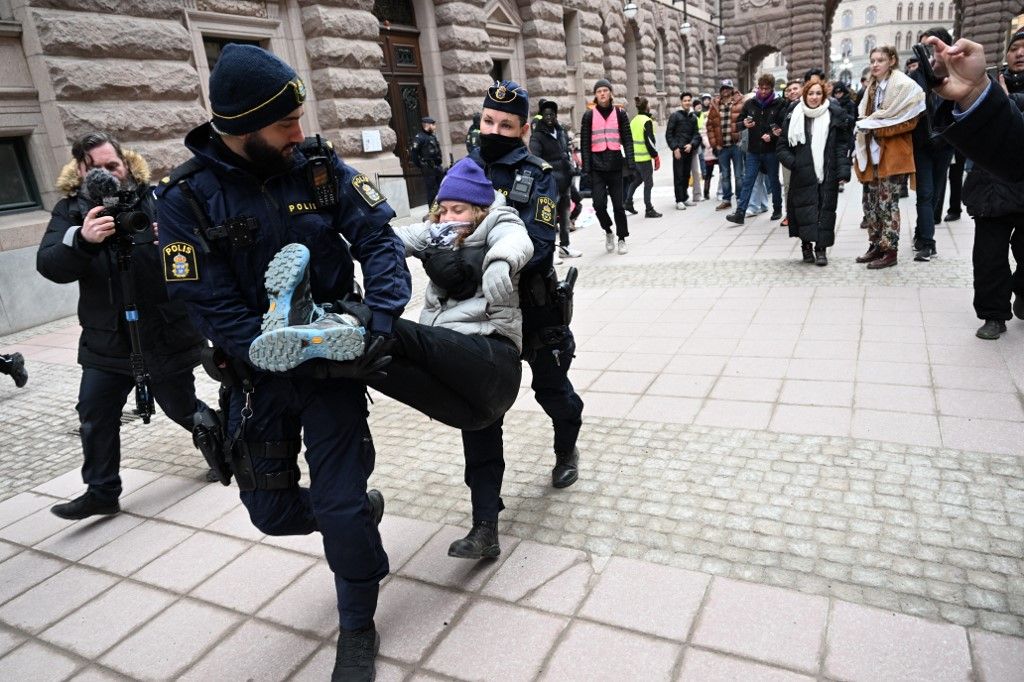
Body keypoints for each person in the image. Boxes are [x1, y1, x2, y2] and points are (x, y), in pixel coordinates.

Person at [155, 45, 412, 681]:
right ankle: (349, 515)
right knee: (270, 513)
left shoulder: (320, 170)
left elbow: (379, 240)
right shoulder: (185, 200)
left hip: (335, 369)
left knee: (340, 504)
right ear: (241, 129)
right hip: (259, 378)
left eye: (300, 118)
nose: (300, 132)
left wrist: (378, 319)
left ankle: (357, 623)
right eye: (284, 125)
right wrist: (273, 348)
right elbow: (205, 304)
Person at [251, 158, 532, 557]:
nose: (450, 216)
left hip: (492, 360)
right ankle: (485, 530)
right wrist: (328, 238)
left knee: (392, 332)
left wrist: (501, 261)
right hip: (459, 386)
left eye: (460, 209)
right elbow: (386, 238)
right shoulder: (436, 234)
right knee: (371, 363)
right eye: (444, 208)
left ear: (480, 210)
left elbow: (516, 240)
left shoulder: (499, 224)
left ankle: (335, 320)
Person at [36, 132, 215, 521]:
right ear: (80, 171)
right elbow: (49, 265)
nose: (106, 175)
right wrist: (83, 242)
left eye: (112, 165)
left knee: (182, 407)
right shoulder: (71, 211)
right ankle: (101, 492)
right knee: (95, 411)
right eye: (95, 168)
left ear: (127, 163)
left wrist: (169, 240)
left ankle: (227, 455)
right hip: (107, 337)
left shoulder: (156, 199)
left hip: (163, 330)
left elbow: (203, 249)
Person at [472, 80, 584, 490]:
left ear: (522, 129)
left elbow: (539, 244)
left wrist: (480, 259)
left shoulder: (538, 175)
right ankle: (485, 519)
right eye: (488, 121)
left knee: (553, 391)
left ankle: (566, 449)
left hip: (534, 304)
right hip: (482, 307)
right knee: (481, 407)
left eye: (505, 125)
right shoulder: (467, 169)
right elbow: (442, 226)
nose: (494, 132)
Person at [957, 28, 1024, 339]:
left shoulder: (992, 91)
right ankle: (993, 315)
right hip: (989, 188)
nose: (1020, 54)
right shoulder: (983, 85)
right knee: (988, 257)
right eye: (1015, 49)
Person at [853, 45, 925, 270]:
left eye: (880, 60)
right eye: (872, 60)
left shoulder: (905, 86)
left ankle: (890, 250)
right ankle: (875, 245)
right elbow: (868, 116)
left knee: (887, 203)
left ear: (892, 61)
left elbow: (911, 120)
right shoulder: (871, 89)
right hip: (871, 153)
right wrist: (869, 126)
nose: (875, 64)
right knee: (871, 203)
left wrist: (879, 129)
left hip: (893, 154)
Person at [925, 36, 1024, 183]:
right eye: (1014, 48)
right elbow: (1016, 155)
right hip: (982, 195)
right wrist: (973, 93)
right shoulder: (993, 81)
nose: (1020, 53)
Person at [776, 78, 852, 267]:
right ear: (805, 94)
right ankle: (806, 246)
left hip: (827, 172)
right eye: (811, 93)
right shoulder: (794, 114)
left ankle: (821, 249)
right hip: (802, 173)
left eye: (818, 93)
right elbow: (782, 146)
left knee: (824, 211)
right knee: (804, 211)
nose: (814, 97)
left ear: (824, 95)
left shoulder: (834, 114)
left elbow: (842, 145)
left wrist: (843, 169)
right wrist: (795, 164)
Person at [907, 27, 956, 263]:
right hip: (923, 143)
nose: (927, 53)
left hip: (945, 143)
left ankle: (921, 232)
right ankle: (927, 242)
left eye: (931, 47)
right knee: (925, 193)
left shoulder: (958, 73)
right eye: (922, 48)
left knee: (936, 192)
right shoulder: (915, 77)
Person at [580, 78, 635, 254]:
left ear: (610, 92)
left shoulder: (620, 114)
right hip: (597, 166)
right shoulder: (589, 115)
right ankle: (609, 231)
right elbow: (585, 144)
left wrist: (631, 163)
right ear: (595, 95)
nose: (602, 93)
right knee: (599, 205)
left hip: (615, 164)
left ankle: (621, 238)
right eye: (599, 91)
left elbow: (627, 139)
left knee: (619, 206)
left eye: (605, 90)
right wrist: (586, 169)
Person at [725, 74, 787, 225]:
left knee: (773, 181)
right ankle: (740, 213)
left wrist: (772, 135)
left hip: (771, 151)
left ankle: (777, 209)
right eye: (761, 88)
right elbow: (737, 123)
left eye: (767, 88)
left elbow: (783, 126)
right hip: (753, 151)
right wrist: (744, 124)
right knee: (748, 181)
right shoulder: (750, 104)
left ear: (772, 88)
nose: (764, 91)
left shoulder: (779, 104)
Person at [530, 99, 583, 257]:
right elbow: (536, 159)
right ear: (541, 116)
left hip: (565, 181)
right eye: (546, 114)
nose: (549, 117)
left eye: (552, 114)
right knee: (549, 219)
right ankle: (550, 252)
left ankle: (565, 247)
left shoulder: (560, 132)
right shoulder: (537, 136)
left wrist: (572, 168)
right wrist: (547, 177)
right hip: (550, 183)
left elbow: (565, 153)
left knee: (565, 215)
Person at [707, 79, 746, 210]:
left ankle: (740, 199)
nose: (725, 91)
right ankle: (726, 199)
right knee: (724, 175)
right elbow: (710, 126)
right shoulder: (715, 105)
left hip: (736, 145)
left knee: (739, 175)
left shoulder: (740, 103)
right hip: (722, 147)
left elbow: (745, 121)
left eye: (728, 88)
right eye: (723, 88)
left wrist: (742, 140)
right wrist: (714, 144)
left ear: (732, 89)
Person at [625, 97, 662, 218]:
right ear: (646, 107)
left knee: (637, 180)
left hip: (635, 158)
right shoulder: (646, 120)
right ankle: (649, 209)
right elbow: (650, 141)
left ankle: (628, 203)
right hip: (644, 158)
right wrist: (655, 156)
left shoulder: (634, 120)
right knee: (648, 183)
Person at [666, 92, 701, 211]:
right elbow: (669, 134)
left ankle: (685, 197)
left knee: (686, 175)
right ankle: (679, 200)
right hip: (678, 151)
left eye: (689, 100)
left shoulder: (693, 117)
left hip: (688, 150)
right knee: (679, 175)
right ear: (681, 102)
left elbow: (697, 134)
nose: (687, 102)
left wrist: (692, 144)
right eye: (685, 100)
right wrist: (674, 148)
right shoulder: (675, 116)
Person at [780, 79, 803, 227]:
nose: (792, 92)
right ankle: (790, 214)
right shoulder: (785, 109)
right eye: (789, 90)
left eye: (795, 88)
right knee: (788, 185)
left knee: (804, 184)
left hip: (803, 151)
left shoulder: (807, 106)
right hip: (787, 152)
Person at [412, 116, 444, 206]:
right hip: (428, 168)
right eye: (432, 124)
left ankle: (441, 210)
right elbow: (414, 154)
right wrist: (422, 166)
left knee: (441, 189)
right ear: (426, 125)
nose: (434, 126)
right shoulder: (420, 137)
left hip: (437, 167)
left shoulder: (432, 136)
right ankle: (433, 213)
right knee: (432, 192)